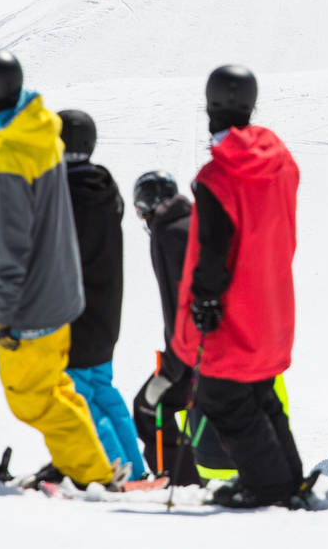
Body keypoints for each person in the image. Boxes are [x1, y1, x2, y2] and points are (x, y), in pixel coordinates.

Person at [0, 48, 116, 489]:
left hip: (30, 300)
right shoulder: (39, 131)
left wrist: (5, 312)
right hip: (58, 288)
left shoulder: (11, 155)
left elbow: (8, 244)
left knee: (31, 398)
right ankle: (77, 462)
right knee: (54, 388)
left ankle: (92, 473)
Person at [170, 64, 309, 508]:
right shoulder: (279, 163)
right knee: (260, 393)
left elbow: (214, 248)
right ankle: (287, 479)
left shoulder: (218, 179)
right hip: (271, 302)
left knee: (222, 395)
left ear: (210, 107)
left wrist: (205, 299)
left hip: (232, 310)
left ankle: (268, 486)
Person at [130, 170, 238, 484]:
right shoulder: (195, 224)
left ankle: (180, 480)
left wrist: (171, 370)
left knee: (149, 407)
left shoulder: (167, 236)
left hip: (193, 355)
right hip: (215, 347)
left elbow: (178, 306)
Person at [57, 109, 146, 480]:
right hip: (108, 311)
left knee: (79, 394)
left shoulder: (62, 193)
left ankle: (112, 469)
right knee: (103, 389)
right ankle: (136, 470)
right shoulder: (105, 188)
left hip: (76, 311)